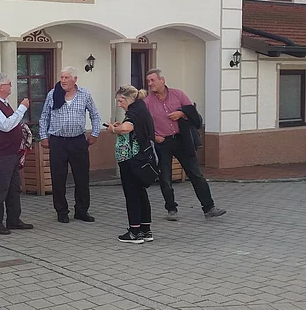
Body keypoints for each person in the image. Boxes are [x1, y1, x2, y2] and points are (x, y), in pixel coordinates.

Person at [144, 69, 226, 220]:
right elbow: (143, 125)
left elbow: (193, 114)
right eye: (148, 81)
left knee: (196, 174)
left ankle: (209, 208)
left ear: (162, 80)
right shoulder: (147, 102)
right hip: (163, 142)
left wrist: (182, 114)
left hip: (182, 139)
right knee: (165, 177)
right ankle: (171, 209)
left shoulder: (178, 94)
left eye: (152, 80)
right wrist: (155, 137)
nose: (150, 84)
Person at [39, 66, 103, 224]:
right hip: (58, 141)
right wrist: (43, 136)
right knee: (58, 178)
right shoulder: (53, 94)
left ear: (75, 79)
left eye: (66, 77)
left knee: (82, 177)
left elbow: (95, 115)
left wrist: (95, 133)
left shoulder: (85, 94)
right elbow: (44, 116)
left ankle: (82, 210)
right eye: (61, 77)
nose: (63, 80)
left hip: (77, 141)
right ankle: (61, 211)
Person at [0, 72, 34, 235]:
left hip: (11, 152)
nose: (11, 86)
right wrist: (22, 108)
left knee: (14, 188)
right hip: (0, 154)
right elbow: (5, 125)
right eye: (9, 84)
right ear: (0, 87)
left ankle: (13, 219)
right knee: (1, 188)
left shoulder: (3, 103)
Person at [106, 85, 156, 244]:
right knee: (141, 193)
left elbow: (127, 128)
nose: (119, 104)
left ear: (128, 99)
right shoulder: (142, 110)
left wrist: (114, 129)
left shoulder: (134, 112)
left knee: (132, 194)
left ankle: (134, 231)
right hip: (141, 158)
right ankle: (145, 230)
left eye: (121, 101)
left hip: (131, 159)